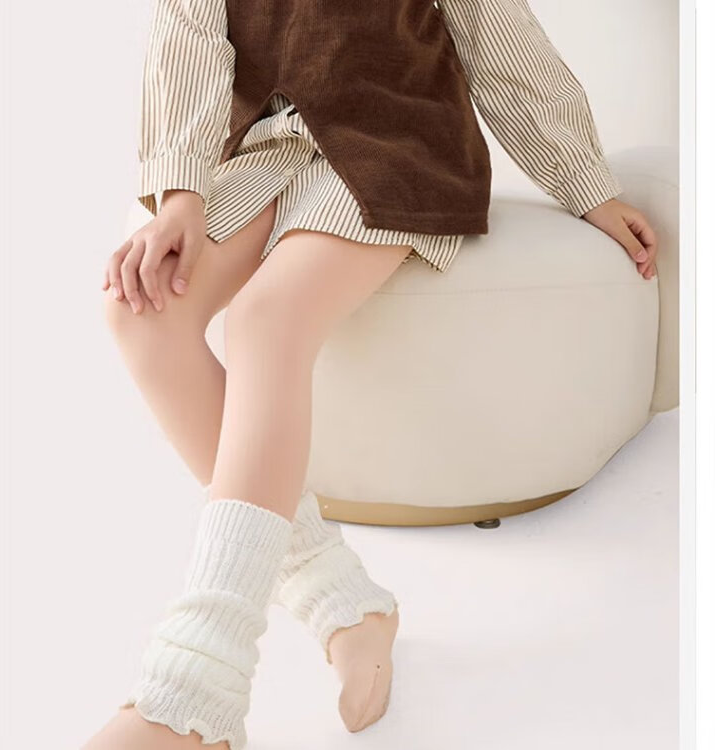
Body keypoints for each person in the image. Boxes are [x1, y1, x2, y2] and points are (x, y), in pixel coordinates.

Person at [83, 1, 659, 748]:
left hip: (400, 146)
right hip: (265, 147)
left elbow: (501, 40)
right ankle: (342, 600)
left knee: (266, 321)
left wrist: (587, 184)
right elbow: (185, 34)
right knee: (141, 314)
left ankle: (195, 689)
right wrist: (181, 193)